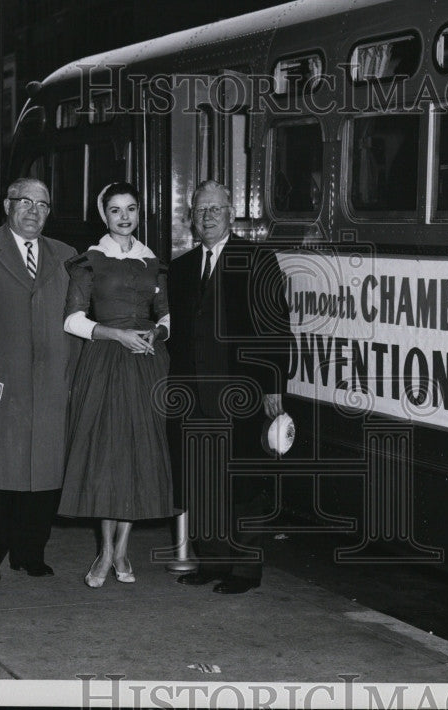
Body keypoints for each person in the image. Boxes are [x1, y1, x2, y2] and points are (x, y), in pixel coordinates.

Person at [168, 180, 292, 595]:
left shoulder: (257, 259)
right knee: (203, 481)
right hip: (193, 396)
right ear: (191, 217)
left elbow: (277, 327)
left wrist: (274, 385)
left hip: (243, 393)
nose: (207, 217)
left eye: (215, 210)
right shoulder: (182, 268)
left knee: (243, 484)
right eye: (201, 210)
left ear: (231, 214)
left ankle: (245, 571)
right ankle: (212, 561)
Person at [0, 178, 80, 581]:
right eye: (24, 201)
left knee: (42, 479)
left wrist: (73, 380)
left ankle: (30, 552)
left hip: (50, 387)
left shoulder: (67, 255)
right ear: (6, 204)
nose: (33, 210)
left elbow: (75, 323)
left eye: (42, 204)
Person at [58, 182, 174, 588]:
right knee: (107, 456)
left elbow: (166, 317)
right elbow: (72, 319)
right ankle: (105, 551)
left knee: (137, 455)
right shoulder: (90, 260)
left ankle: (122, 549)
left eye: (131, 209)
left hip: (147, 364)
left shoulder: (153, 261)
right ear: (102, 214)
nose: (124, 217)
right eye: (115, 210)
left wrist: (154, 337)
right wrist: (116, 335)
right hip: (106, 361)